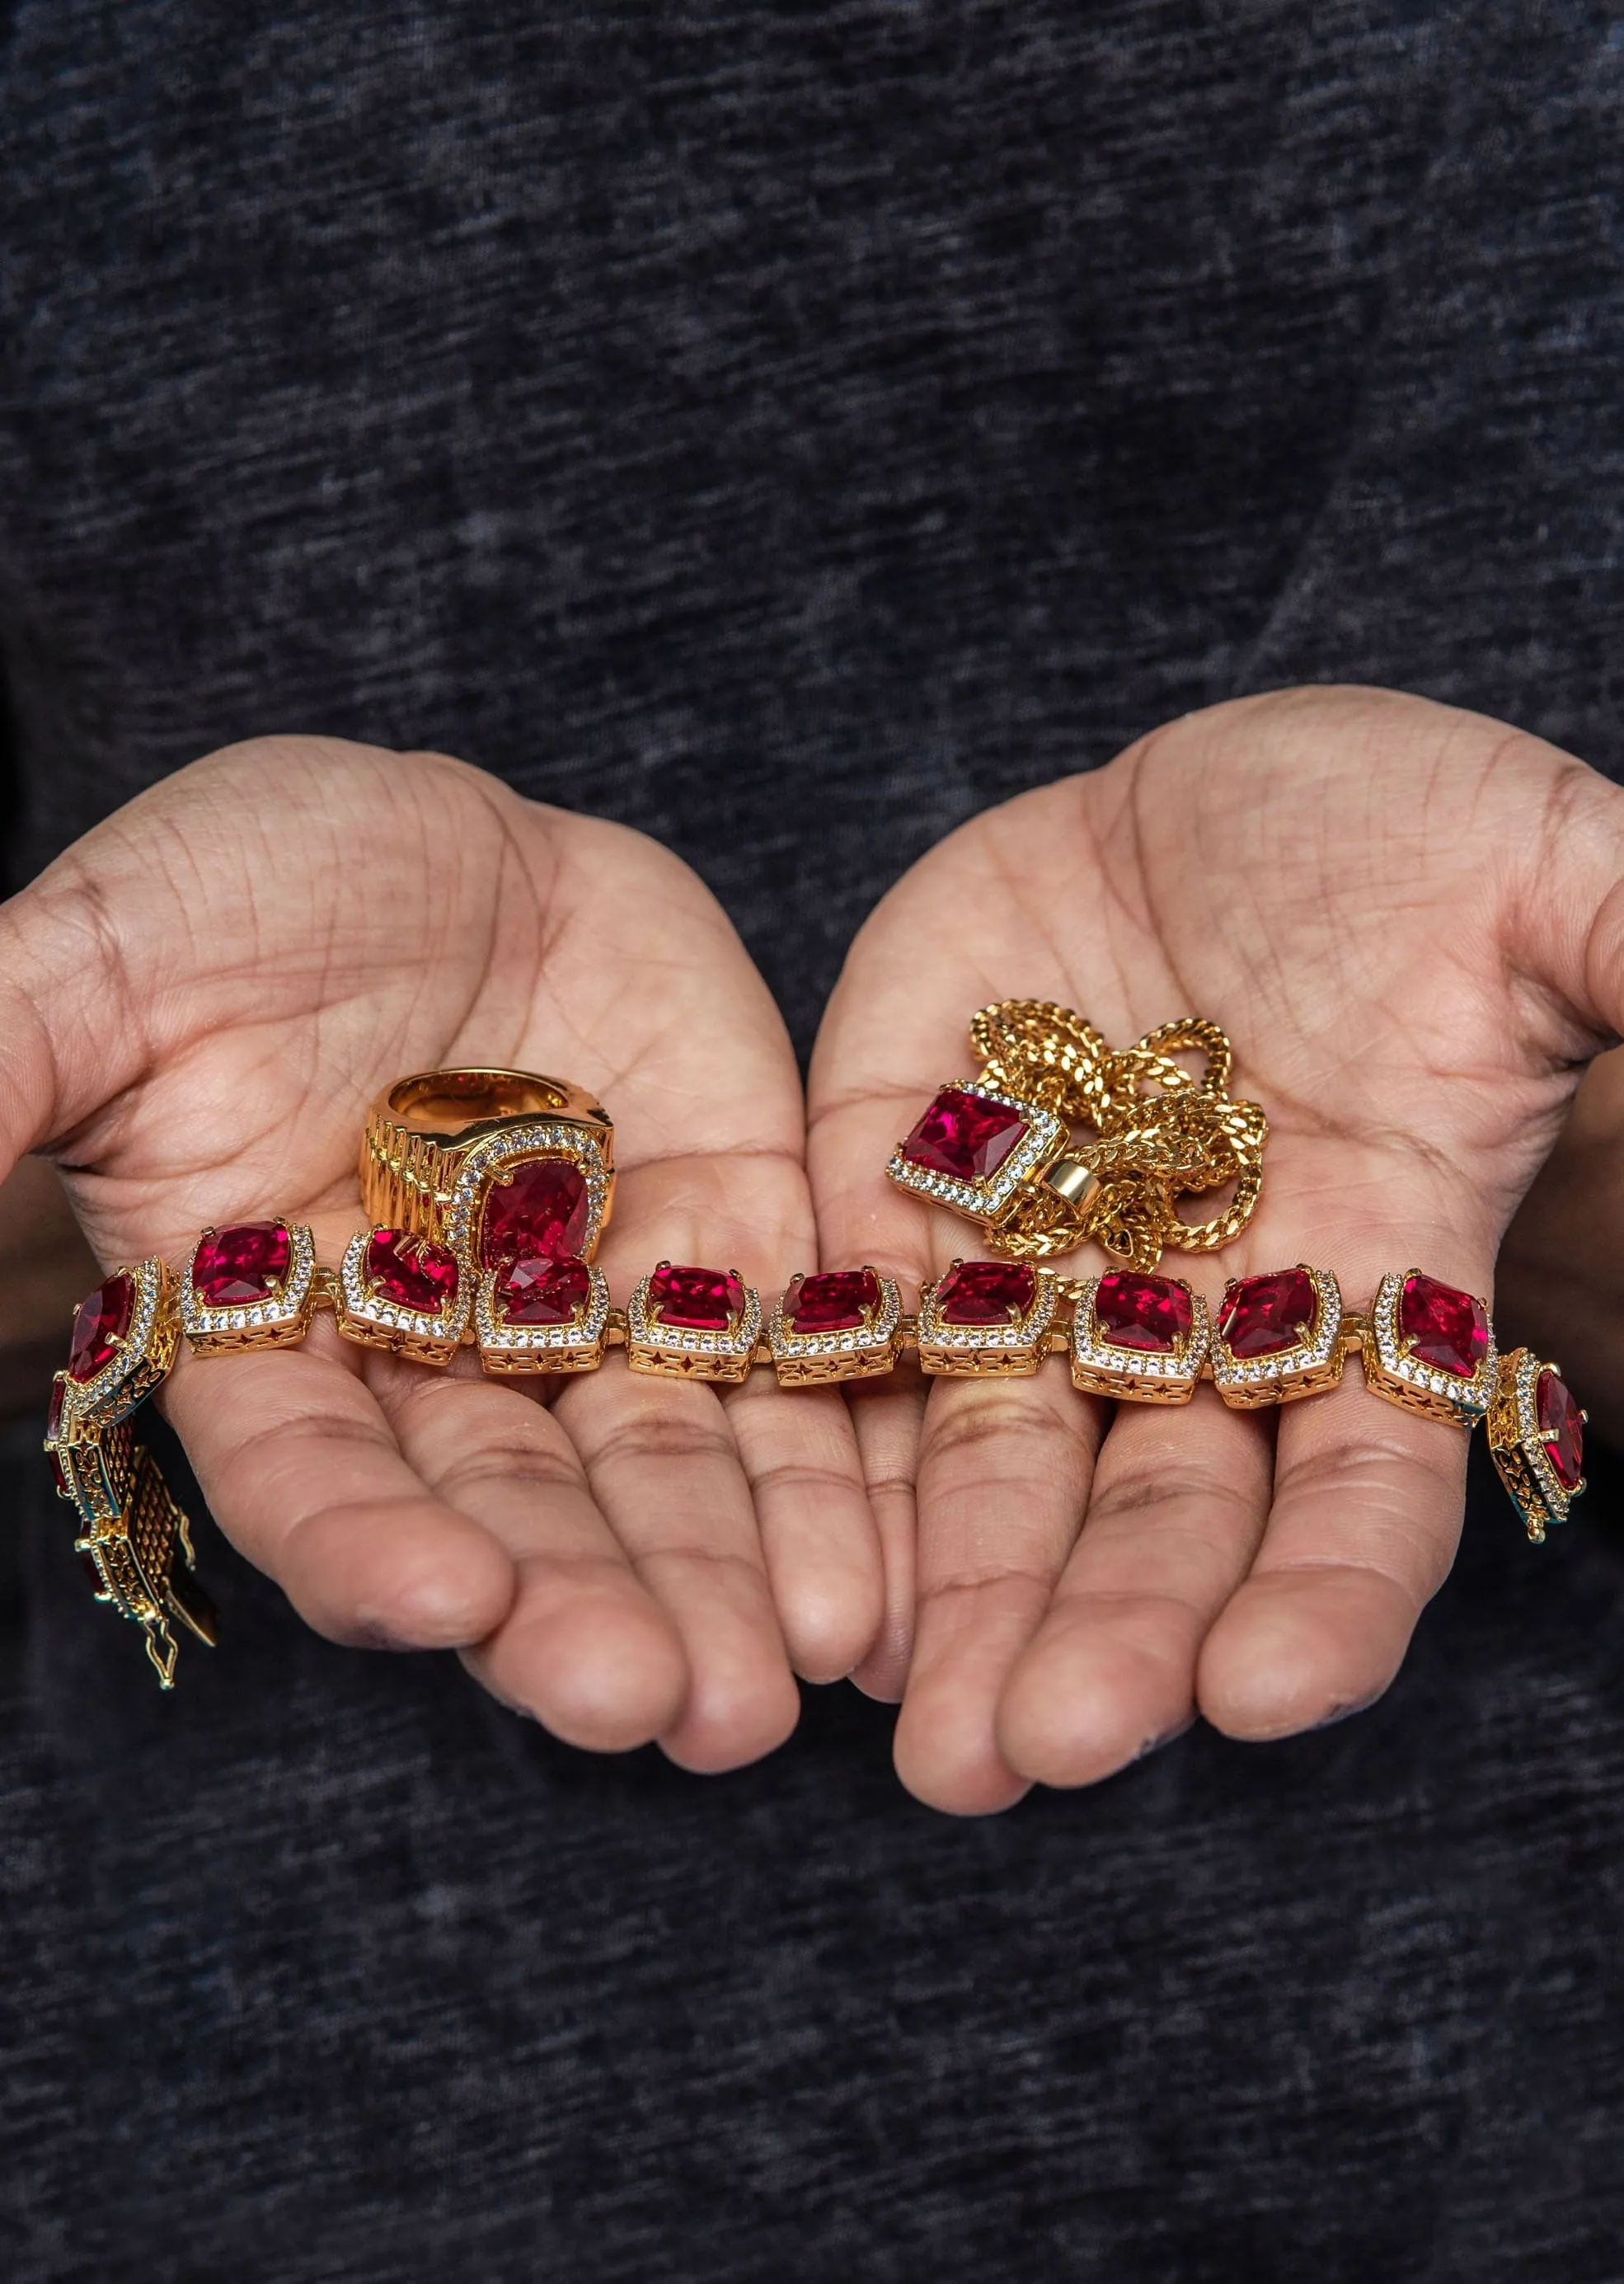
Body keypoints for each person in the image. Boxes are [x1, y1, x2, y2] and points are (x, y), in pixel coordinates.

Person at [4, 5, 1624, 2276]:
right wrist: (149, 1157)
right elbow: (67, 1216)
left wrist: (1522, 1159)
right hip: (282, 2035)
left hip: (1488, 2029)